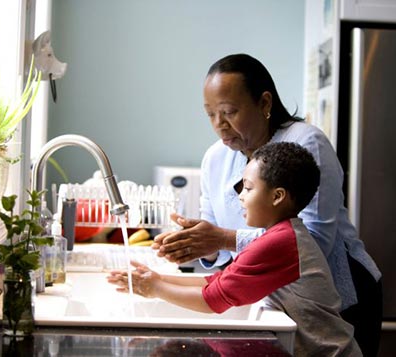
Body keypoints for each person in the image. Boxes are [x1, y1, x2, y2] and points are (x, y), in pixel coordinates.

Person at [152, 54, 382, 356]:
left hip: (341, 301)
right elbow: (218, 249)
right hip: (277, 301)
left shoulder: (306, 143)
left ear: (264, 103)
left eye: (229, 111)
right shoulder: (215, 158)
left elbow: (314, 244)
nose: (220, 125)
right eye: (210, 114)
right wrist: (197, 244)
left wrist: (223, 237)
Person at [108, 142, 362, 356]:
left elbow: (211, 301)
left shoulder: (280, 243)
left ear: (277, 197)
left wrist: (154, 288)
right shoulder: (280, 235)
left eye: (248, 188)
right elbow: (216, 281)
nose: (240, 196)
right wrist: (158, 278)